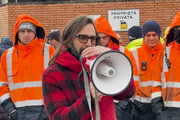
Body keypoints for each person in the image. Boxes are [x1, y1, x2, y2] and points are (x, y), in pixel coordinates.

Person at [42, 15, 135, 120]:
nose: (89, 44)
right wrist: (89, 99)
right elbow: (58, 117)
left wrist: (114, 57)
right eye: (83, 38)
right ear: (68, 40)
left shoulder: (101, 63)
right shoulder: (52, 74)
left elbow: (127, 93)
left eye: (93, 38)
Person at [0, 14, 55, 120]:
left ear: (35, 32)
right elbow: (2, 86)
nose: (26, 35)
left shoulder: (49, 51)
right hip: (18, 113)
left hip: (45, 112)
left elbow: (58, 80)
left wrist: (50, 107)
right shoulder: (7, 56)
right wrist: (10, 110)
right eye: (22, 31)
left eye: (29, 31)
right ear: (17, 33)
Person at [94, 16, 139, 120]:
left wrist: (130, 98)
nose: (101, 40)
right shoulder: (91, 52)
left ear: (110, 36)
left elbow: (135, 77)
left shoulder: (124, 52)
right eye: (98, 38)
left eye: (104, 37)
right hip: (98, 101)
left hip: (121, 103)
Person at [131, 20, 165, 120]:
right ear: (143, 36)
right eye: (148, 35)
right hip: (140, 107)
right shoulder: (134, 53)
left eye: (154, 35)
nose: (151, 38)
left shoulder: (166, 52)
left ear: (159, 35)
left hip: (161, 103)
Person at [161, 11, 180, 120]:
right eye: (178, 28)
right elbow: (157, 82)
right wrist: (159, 111)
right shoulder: (165, 53)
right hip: (169, 111)